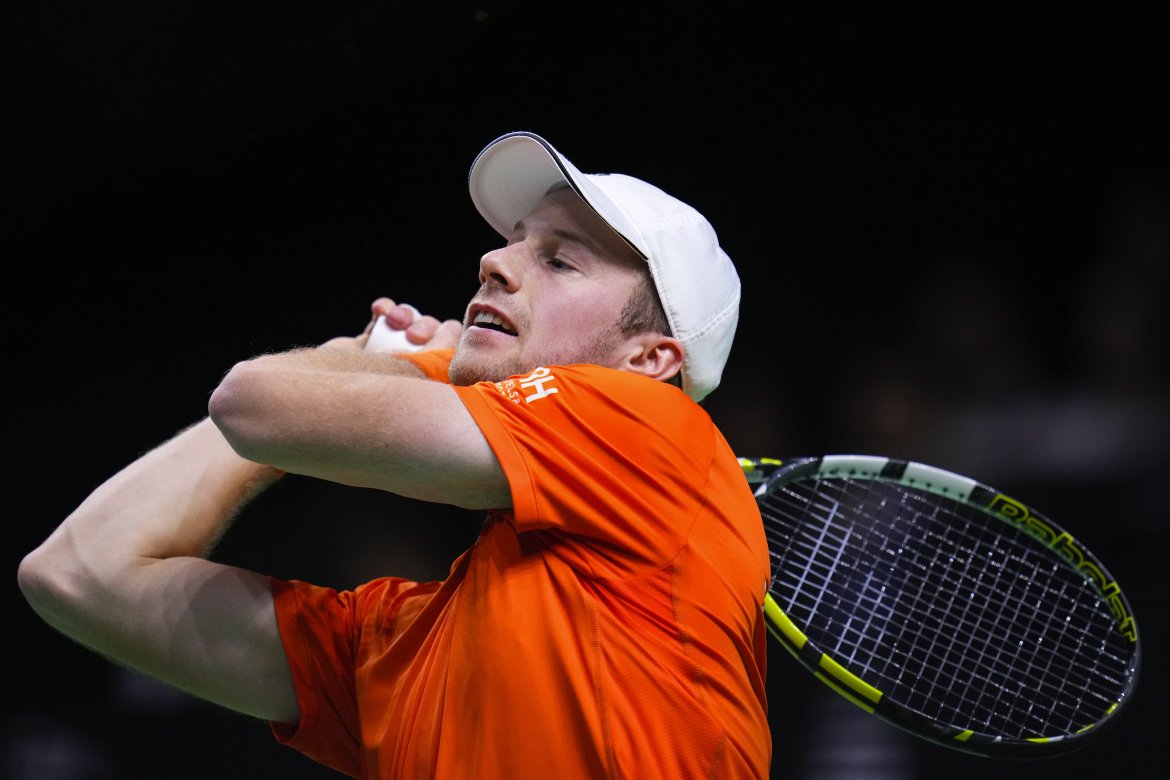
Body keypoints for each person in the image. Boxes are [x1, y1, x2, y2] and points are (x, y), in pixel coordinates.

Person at [18, 131, 772, 779]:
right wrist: (355, 364)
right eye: (511, 243)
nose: (494, 262)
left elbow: (252, 403)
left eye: (560, 262)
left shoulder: (651, 426)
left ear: (651, 358)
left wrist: (406, 367)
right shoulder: (400, 657)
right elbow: (78, 572)